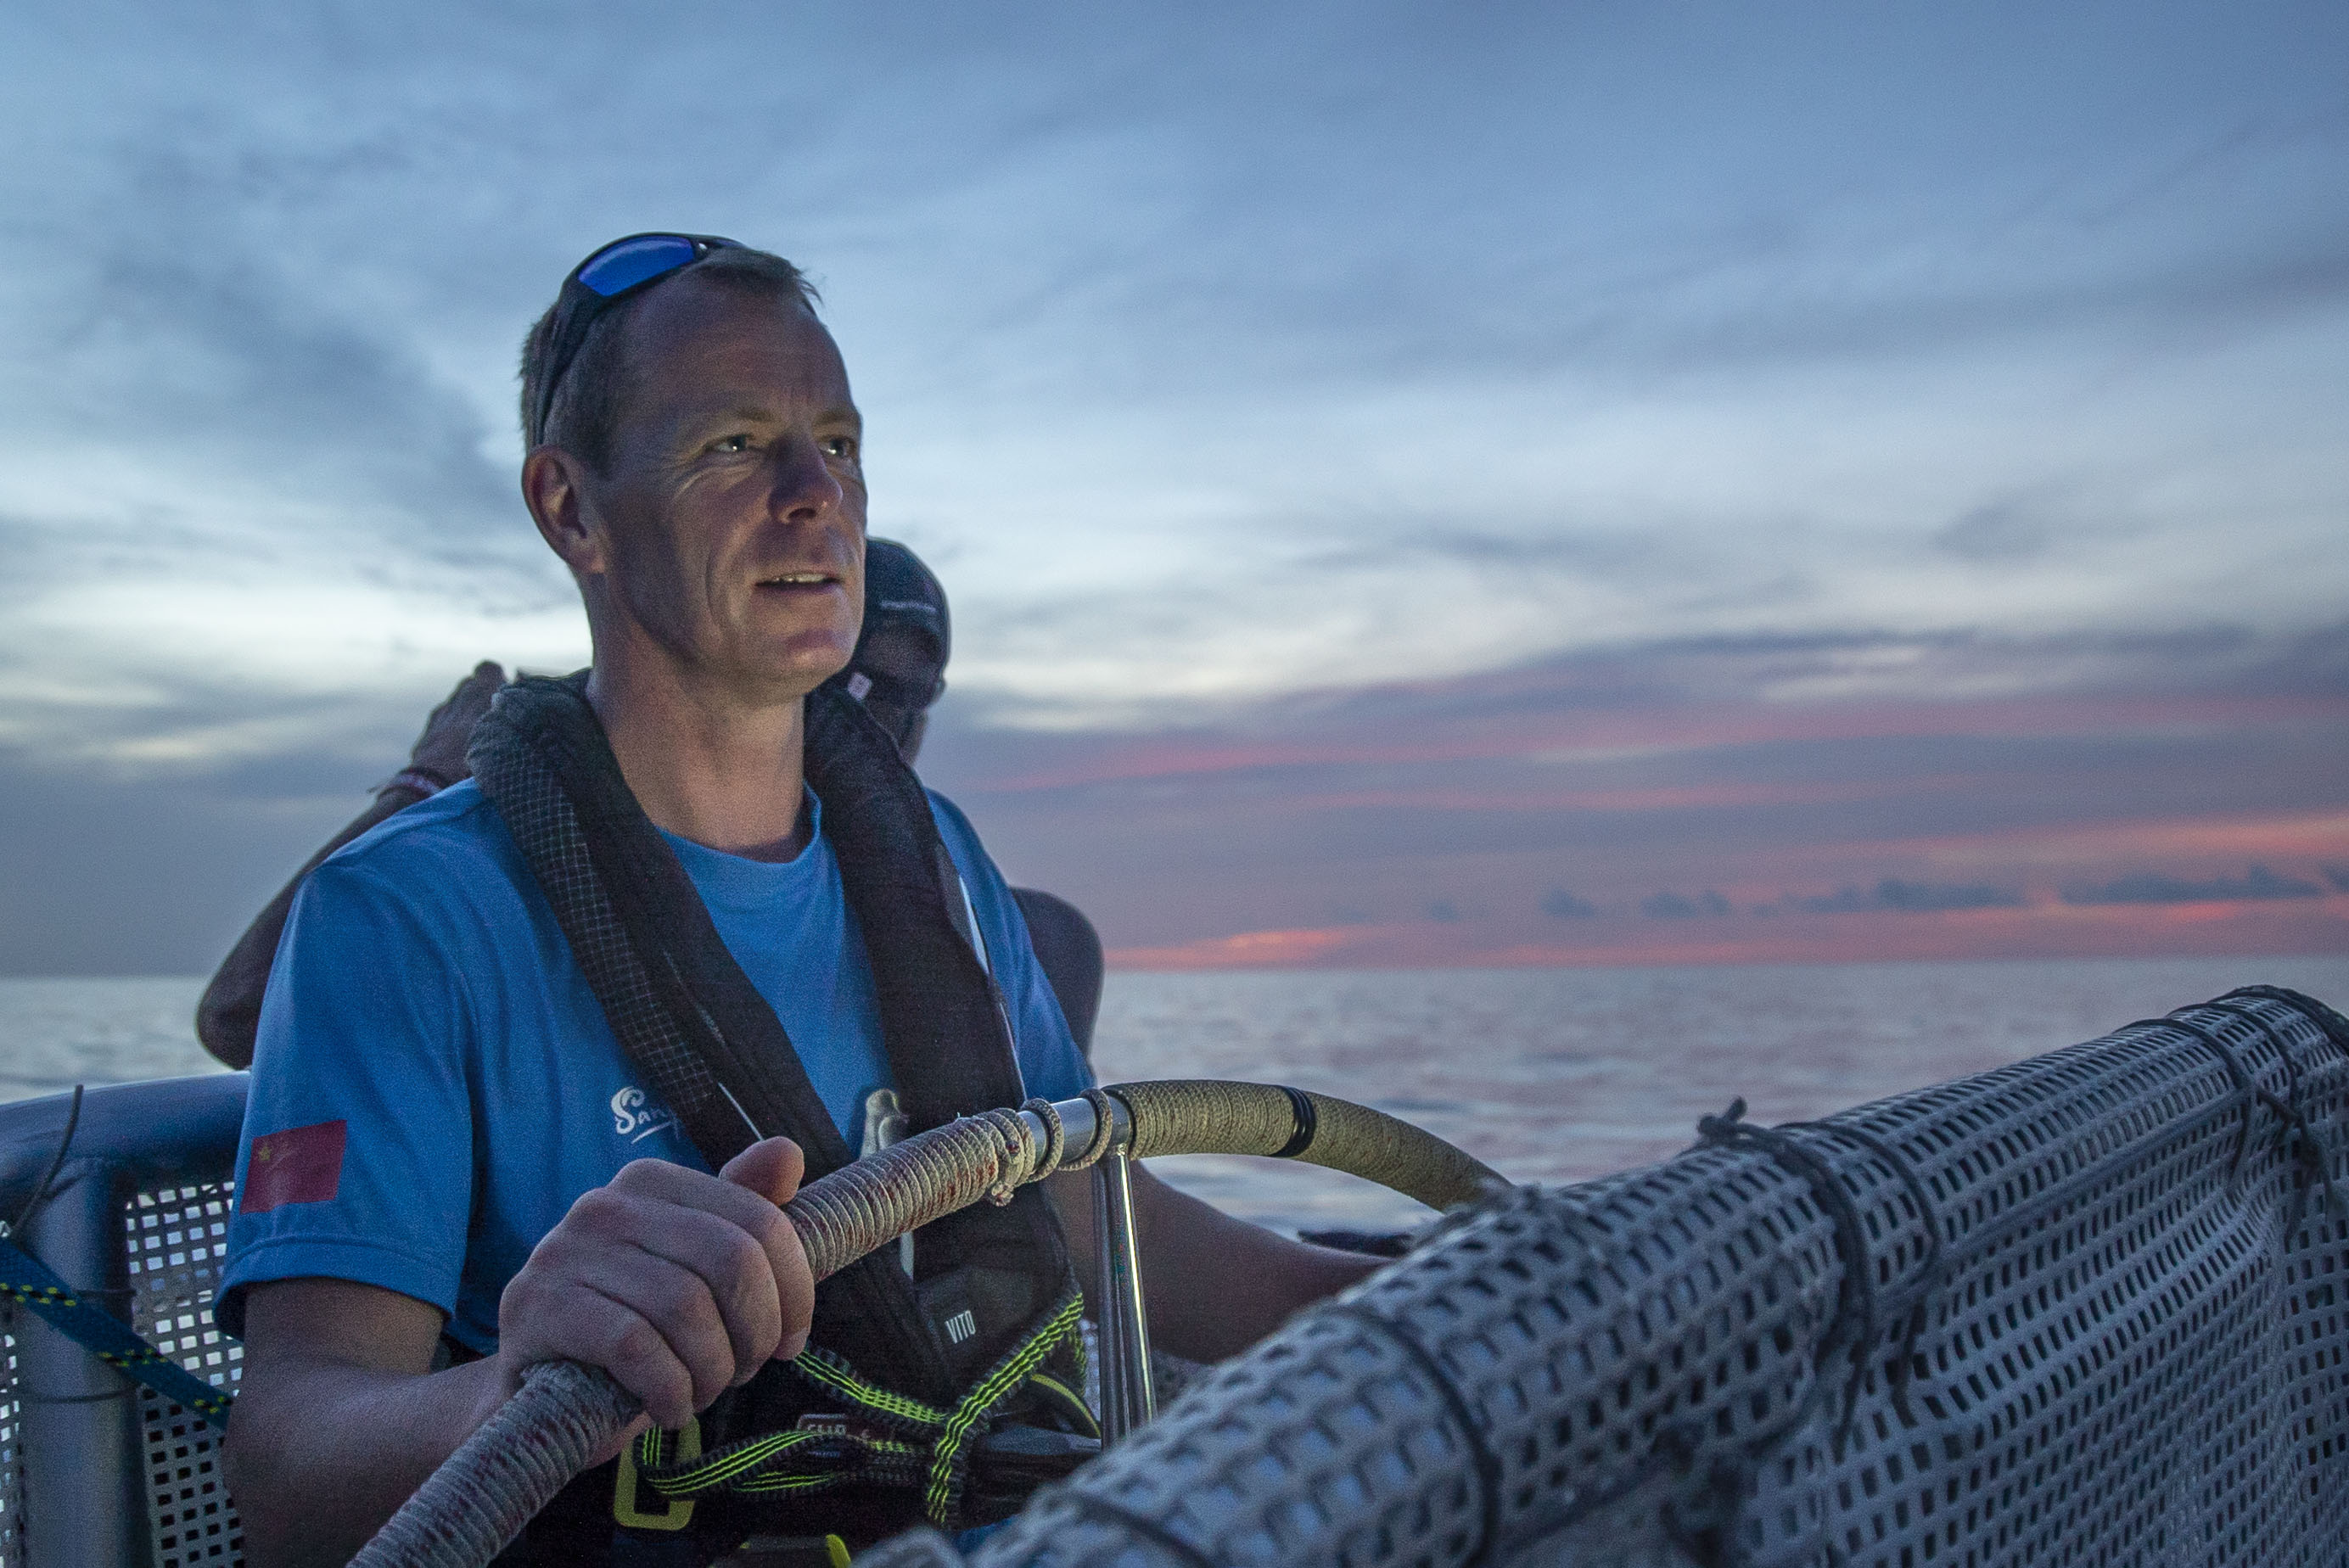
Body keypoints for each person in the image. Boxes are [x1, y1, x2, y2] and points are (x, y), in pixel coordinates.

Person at [220, 234, 1376, 1567]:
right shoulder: (407, 916)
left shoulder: (934, 856)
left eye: (838, 443)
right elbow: (287, 1474)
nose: (813, 493)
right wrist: (517, 1380)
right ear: (572, 511)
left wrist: (1487, 1279)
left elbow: (1095, 1217)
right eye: (731, 444)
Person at [194, 540, 1105, 1067]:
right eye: (843, 675)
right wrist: (432, 778)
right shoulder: (562, 821)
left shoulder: (981, 913)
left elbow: (1077, 1205)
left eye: (908, 695)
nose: (873, 717)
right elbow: (237, 1018)